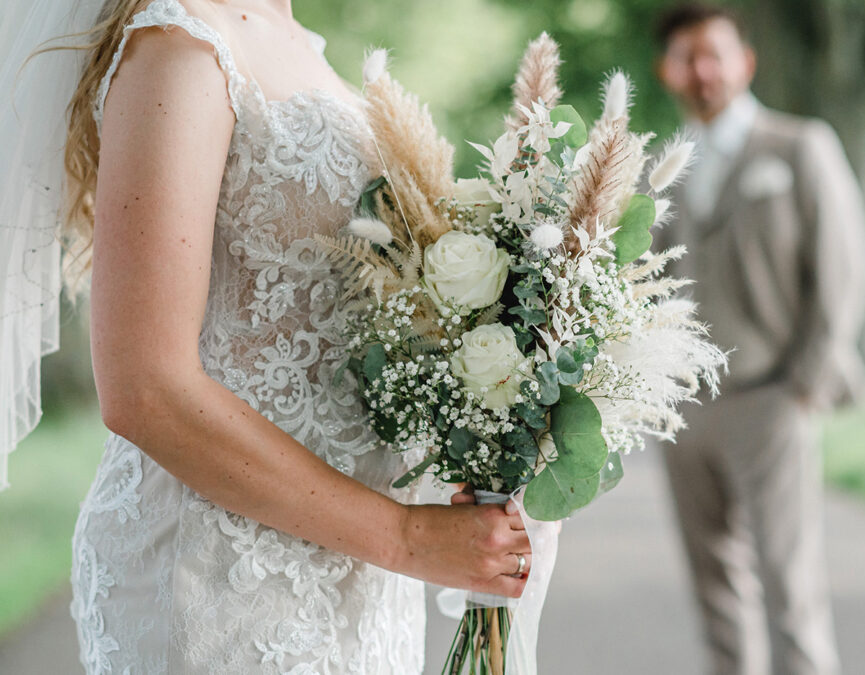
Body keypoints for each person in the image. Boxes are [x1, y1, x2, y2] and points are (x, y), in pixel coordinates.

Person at [0, 0, 530, 672]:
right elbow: (144, 388)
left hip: (359, 578)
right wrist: (405, 535)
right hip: (222, 577)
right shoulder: (182, 41)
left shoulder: (300, 41)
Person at [653, 4, 865, 675]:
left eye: (714, 53)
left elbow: (845, 268)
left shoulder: (798, 146)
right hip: (684, 409)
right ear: (667, 72)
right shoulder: (659, 170)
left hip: (772, 394)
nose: (702, 71)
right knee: (713, 588)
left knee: (789, 585)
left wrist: (806, 382)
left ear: (745, 61)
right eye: (686, 57)